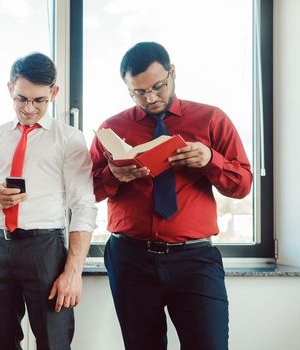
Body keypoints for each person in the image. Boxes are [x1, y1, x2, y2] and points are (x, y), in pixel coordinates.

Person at [90, 42, 252, 350]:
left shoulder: (211, 119)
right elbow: (88, 191)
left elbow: (241, 185)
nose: (150, 98)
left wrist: (210, 160)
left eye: (158, 87)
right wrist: (114, 176)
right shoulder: (112, 128)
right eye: (138, 92)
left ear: (172, 72)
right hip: (130, 259)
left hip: (194, 260)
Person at [0, 53, 97, 349]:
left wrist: (73, 272)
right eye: (21, 99)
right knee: (1, 342)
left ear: (54, 93)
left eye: (39, 101)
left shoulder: (69, 140)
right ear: (9, 88)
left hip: (45, 249)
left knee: (54, 342)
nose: (29, 109)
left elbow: (84, 207)